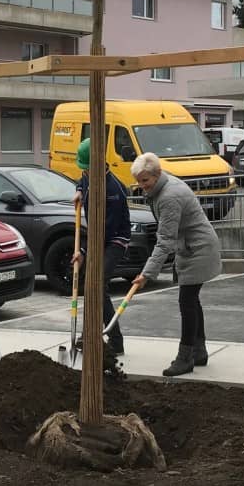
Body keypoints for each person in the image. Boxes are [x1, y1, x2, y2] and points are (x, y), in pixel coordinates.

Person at [130, 152, 221, 377]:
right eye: (139, 181)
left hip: (198, 249)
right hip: (192, 246)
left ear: (157, 174)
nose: (142, 186)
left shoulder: (169, 196)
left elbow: (164, 242)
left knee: (187, 301)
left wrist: (146, 274)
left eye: (145, 180)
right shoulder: (163, 186)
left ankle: (185, 358)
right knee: (192, 300)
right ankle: (199, 351)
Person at [71, 138, 131, 355]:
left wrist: (83, 252)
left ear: (98, 165)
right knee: (91, 286)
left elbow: (104, 231)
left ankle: (114, 340)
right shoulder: (89, 177)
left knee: (96, 284)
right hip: (98, 237)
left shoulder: (112, 189)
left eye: (87, 168)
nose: (84, 172)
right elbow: (82, 180)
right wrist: (79, 189)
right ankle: (91, 333)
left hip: (115, 240)